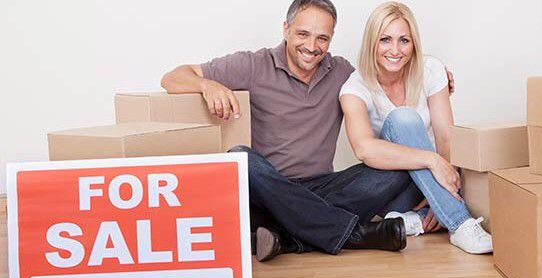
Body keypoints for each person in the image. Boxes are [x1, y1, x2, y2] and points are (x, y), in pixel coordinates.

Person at [161, 0, 452, 262]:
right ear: (286, 29)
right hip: (268, 190)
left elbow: (388, 70)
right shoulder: (252, 64)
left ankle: (286, 238)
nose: (312, 46)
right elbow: (172, 78)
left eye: (322, 38)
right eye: (303, 34)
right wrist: (206, 84)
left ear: (331, 39)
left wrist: (435, 76)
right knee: (240, 159)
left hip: (324, 189)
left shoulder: (342, 73)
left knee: (398, 167)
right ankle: (357, 234)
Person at [339, 2, 492, 254]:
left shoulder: (431, 70)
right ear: (371, 43)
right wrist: (432, 161)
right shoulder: (354, 88)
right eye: (385, 40)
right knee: (404, 119)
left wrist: (441, 195)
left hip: (439, 180)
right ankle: (460, 222)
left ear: (414, 44)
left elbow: (445, 136)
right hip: (394, 189)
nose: (395, 50)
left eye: (404, 41)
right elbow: (364, 149)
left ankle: (418, 220)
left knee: (412, 125)